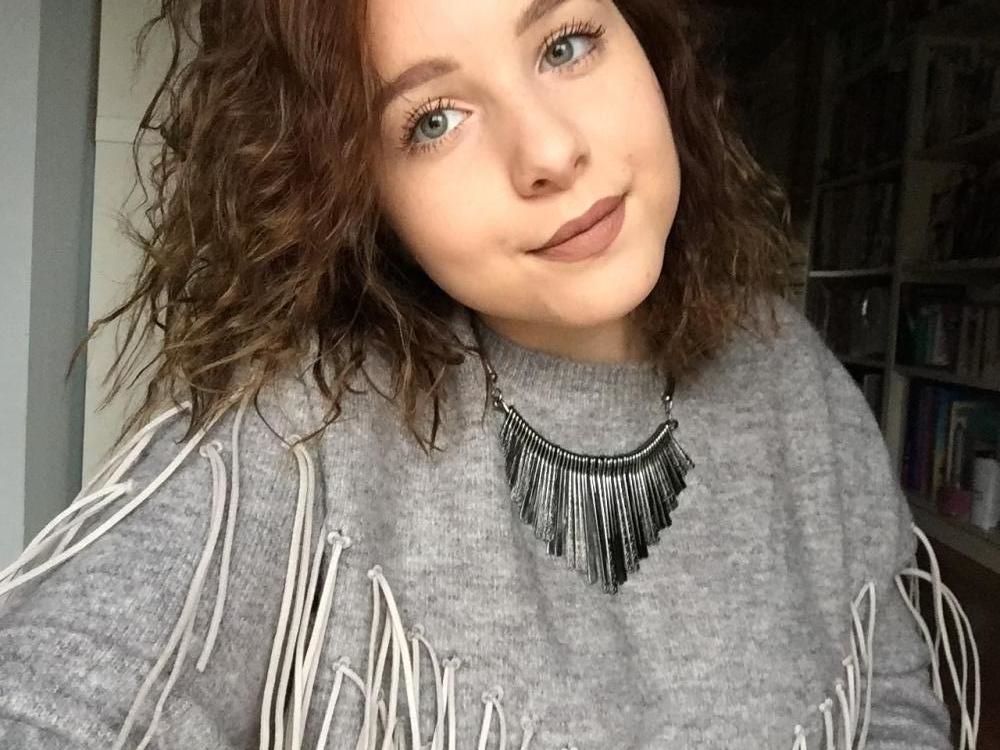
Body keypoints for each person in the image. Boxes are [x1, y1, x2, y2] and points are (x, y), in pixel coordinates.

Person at [0, 0, 979, 748]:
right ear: (359, 190)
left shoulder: (790, 372)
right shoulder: (300, 427)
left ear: (648, 45)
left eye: (566, 44)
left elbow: (890, 701)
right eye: (433, 120)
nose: (548, 150)